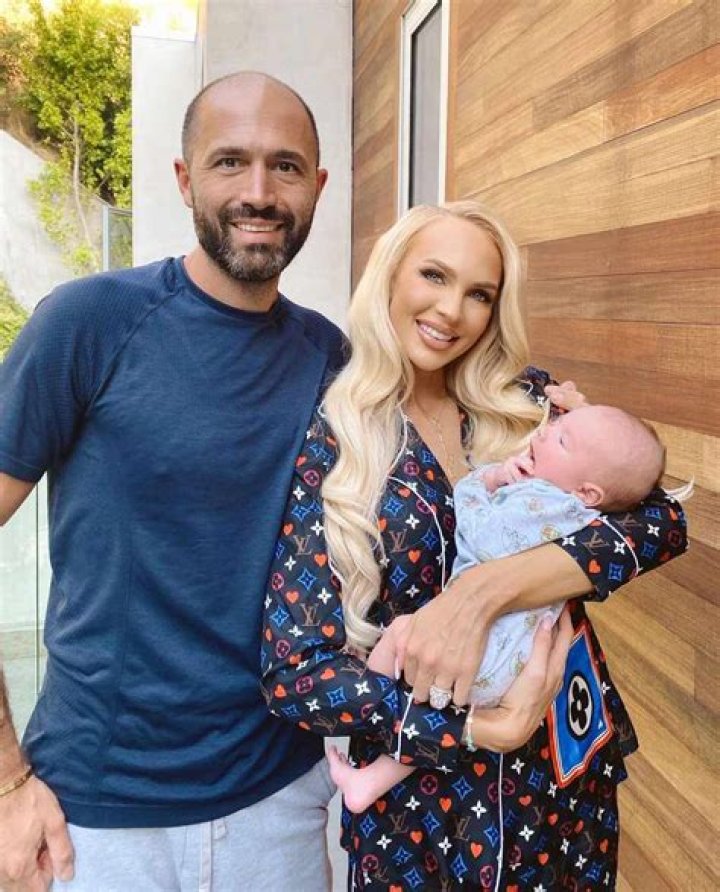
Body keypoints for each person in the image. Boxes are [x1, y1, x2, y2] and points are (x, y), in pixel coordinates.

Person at [261, 201, 687, 890]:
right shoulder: (334, 442)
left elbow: (661, 522)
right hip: (424, 817)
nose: (451, 311)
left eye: (480, 294)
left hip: (560, 786)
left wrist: (486, 592)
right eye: (433, 275)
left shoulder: (528, 403)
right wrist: (478, 728)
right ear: (390, 274)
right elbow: (295, 674)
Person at [0, 72, 346, 891]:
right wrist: (7, 782)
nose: (258, 192)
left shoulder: (331, 359)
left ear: (318, 186)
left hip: (280, 802)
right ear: (186, 179)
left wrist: (553, 421)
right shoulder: (88, 324)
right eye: (230, 162)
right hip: (98, 814)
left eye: (285, 166)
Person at [325, 403, 666, 813]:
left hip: (485, 653)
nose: (544, 432)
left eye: (562, 439)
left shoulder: (542, 502)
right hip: (512, 662)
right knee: (432, 707)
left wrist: (485, 480)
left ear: (587, 492)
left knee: (399, 635)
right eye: (556, 421)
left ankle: (372, 697)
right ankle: (370, 780)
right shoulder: (580, 512)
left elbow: (482, 532)